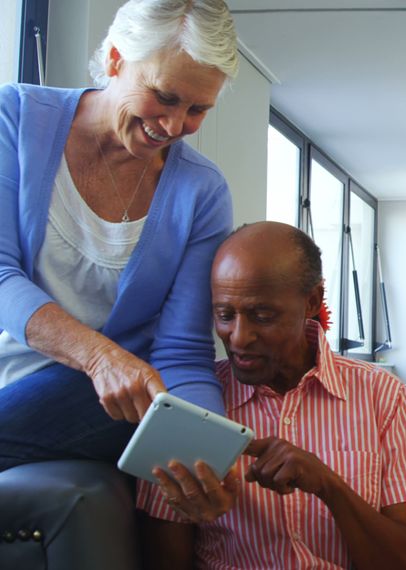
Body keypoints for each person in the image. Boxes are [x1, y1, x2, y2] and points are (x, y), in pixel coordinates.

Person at [0, 0, 238, 471]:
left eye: (197, 109)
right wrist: (98, 358)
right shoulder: (17, 115)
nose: (174, 126)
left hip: (109, 400)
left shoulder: (203, 191)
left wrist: (207, 456)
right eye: (165, 96)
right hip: (40, 376)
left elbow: (183, 350)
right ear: (115, 59)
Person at [137, 222, 406, 569]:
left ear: (312, 301)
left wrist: (328, 486)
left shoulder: (380, 395)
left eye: (263, 316)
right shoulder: (187, 403)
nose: (239, 338)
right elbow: (162, 558)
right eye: (224, 315)